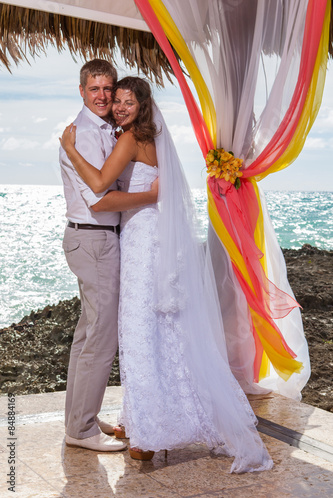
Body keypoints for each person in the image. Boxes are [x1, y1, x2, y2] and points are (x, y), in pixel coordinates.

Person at [60, 76, 273, 473]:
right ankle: (155, 417)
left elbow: (101, 185)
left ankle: (149, 432)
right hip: (151, 238)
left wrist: (71, 148)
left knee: (139, 333)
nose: (119, 106)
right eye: (114, 99)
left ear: (142, 105)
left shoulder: (127, 140)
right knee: (164, 330)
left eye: (127, 101)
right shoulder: (151, 139)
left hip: (141, 241)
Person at [59, 61, 158, 453]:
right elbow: (100, 199)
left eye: (108, 89)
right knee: (100, 339)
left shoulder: (107, 131)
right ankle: (81, 430)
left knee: (87, 336)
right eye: (95, 89)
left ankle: (79, 419)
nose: (103, 96)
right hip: (95, 240)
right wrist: (151, 196)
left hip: (98, 240)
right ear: (81, 90)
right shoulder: (83, 134)